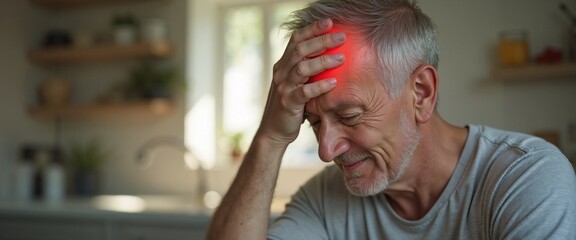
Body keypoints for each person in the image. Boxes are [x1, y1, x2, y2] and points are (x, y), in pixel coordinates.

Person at [207, 0, 576, 239]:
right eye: (314, 122)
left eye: (349, 115)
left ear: (421, 93)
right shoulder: (324, 197)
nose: (325, 150)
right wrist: (270, 139)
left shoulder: (527, 180)